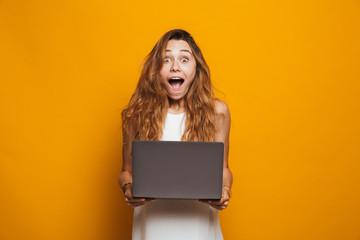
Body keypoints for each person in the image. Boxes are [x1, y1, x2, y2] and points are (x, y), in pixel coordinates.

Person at [118, 29, 233, 240]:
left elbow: (223, 168)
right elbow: (126, 171)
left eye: (184, 59)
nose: (175, 66)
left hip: (199, 226)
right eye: (166, 59)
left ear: (196, 68)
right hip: (152, 225)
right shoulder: (136, 115)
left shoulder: (218, 112)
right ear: (155, 69)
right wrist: (128, 187)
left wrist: (225, 190)